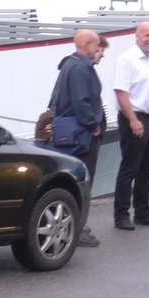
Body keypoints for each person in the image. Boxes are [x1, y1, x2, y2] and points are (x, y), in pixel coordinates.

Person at [52, 30, 108, 247]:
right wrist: (94, 126)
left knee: (75, 182)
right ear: (86, 44)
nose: (99, 50)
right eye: (96, 45)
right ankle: (78, 229)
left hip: (72, 134)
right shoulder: (79, 67)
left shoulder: (72, 65)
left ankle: (74, 226)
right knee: (82, 182)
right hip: (80, 137)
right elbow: (82, 102)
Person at [113, 21, 149, 230]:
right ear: (137, 36)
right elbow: (121, 92)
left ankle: (143, 212)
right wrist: (133, 120)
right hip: (135, 118)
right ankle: (121, 215)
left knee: (147, 169)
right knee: (130, 168)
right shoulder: (127, 60)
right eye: (147, 36)